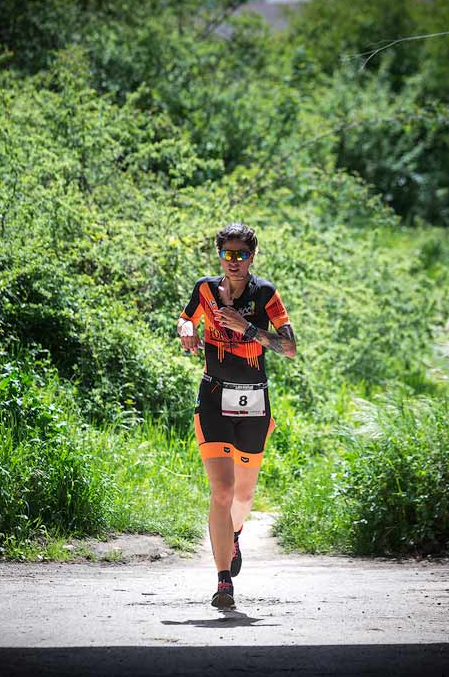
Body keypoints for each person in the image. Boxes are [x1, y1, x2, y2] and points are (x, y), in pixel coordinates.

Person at [176, 223, 297, 609]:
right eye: (227, 254)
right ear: (219, 255)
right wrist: (185, 331)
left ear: (252, 256)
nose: (233, 262)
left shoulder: (266, 294)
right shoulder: (205, 290)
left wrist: (249, 329)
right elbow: (185, 318)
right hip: (212, 395)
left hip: (253, 402)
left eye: (241, 255)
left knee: (243, 496)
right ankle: (223, 580)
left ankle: (236, 532)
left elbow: (290, 347)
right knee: (222, 491)